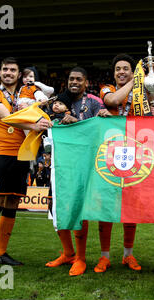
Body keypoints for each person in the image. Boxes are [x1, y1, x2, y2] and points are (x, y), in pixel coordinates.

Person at [0, 57, 52, 276]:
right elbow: (7, 117)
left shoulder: (25, 94)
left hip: (23, 152)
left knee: (13, 201)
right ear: (0, 72)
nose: (8, 72)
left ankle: (2, 252)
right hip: (1, 152)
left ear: (19, 73)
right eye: (5, 69)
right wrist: (34, 124)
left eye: (12, 70)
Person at [45, 67, 111, 276]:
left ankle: (80, 258)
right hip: (62, 164)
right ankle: (68, 253)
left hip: (86, 166)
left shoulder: (93, 102)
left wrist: (78, 122)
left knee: (79, 209)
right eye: (71, 78)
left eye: (79, 79)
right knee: (54, 205)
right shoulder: (58, 101)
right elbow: (48, 121)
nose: (74, 82)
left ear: (86, 82)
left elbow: (98, 130)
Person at [94, 54, 141, 273]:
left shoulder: (140, 94)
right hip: (109, 154)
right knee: (106, 206)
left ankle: (128, 255)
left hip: (134, 153)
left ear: (132, 71)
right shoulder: (106, 89)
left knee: (130, 206)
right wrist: (135, 80)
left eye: (126, 69)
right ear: (114, 74)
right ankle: (104, 257)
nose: (121, 72)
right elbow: (112, 101)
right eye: (118, 69)